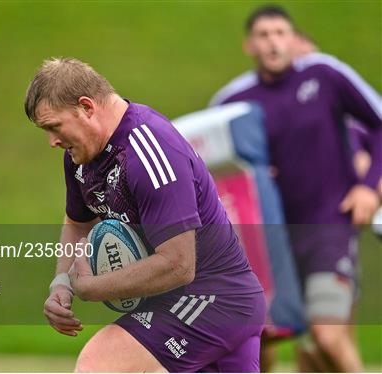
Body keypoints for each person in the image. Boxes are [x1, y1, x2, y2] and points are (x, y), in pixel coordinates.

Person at [24, 57, 265, 372]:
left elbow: (178, 265)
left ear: (86, 107)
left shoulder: (147, 151)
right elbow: (78, 222)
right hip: (189, 301)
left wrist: (90, 287)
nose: (52, 141)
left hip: (213, 299)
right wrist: (62, 284)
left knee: (100, 363)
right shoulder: (80, 156)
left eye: (54, 127)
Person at [210, 5, 381, 372]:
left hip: (327, 225)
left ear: (293, 39)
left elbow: (379, 125)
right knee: (260, 338)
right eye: (264, 35)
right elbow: (209, 168)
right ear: (249, 45)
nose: (273, 42)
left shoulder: (325, 75)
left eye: (280, 33)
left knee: (328, 336)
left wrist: (369, 187)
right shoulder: (231, 103)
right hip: (266, 243)